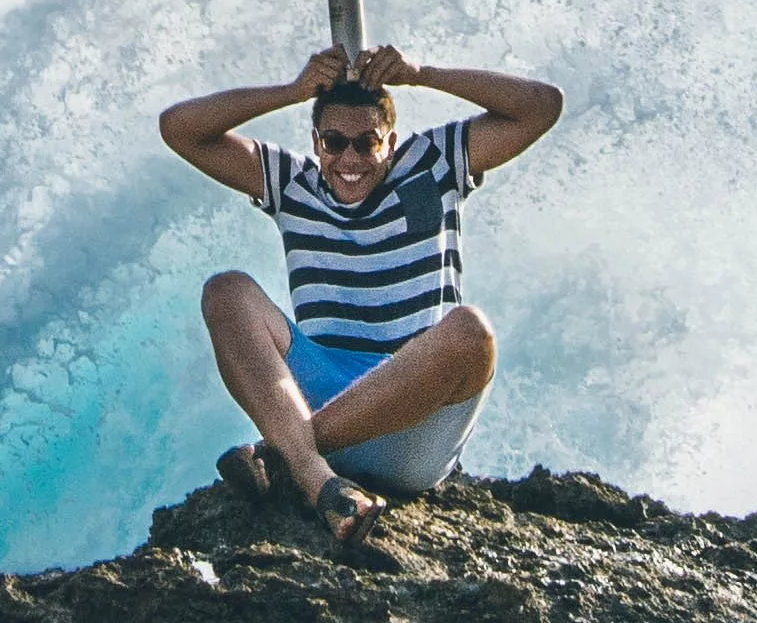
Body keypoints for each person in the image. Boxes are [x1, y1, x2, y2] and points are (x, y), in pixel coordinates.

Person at [156, 36, 564, 548]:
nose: (350, 158)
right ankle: (321, 484)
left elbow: (542, 106)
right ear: (316, 143)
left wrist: (422, 73)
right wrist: (291, 89)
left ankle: (281, 455)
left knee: (471, 332)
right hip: (320, 397)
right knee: (227, 291)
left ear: (390, 143)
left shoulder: (434, 163)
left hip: (414, 423)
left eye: (366, 143)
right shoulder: (290, 182)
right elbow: (179, 128)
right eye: (334, 143)